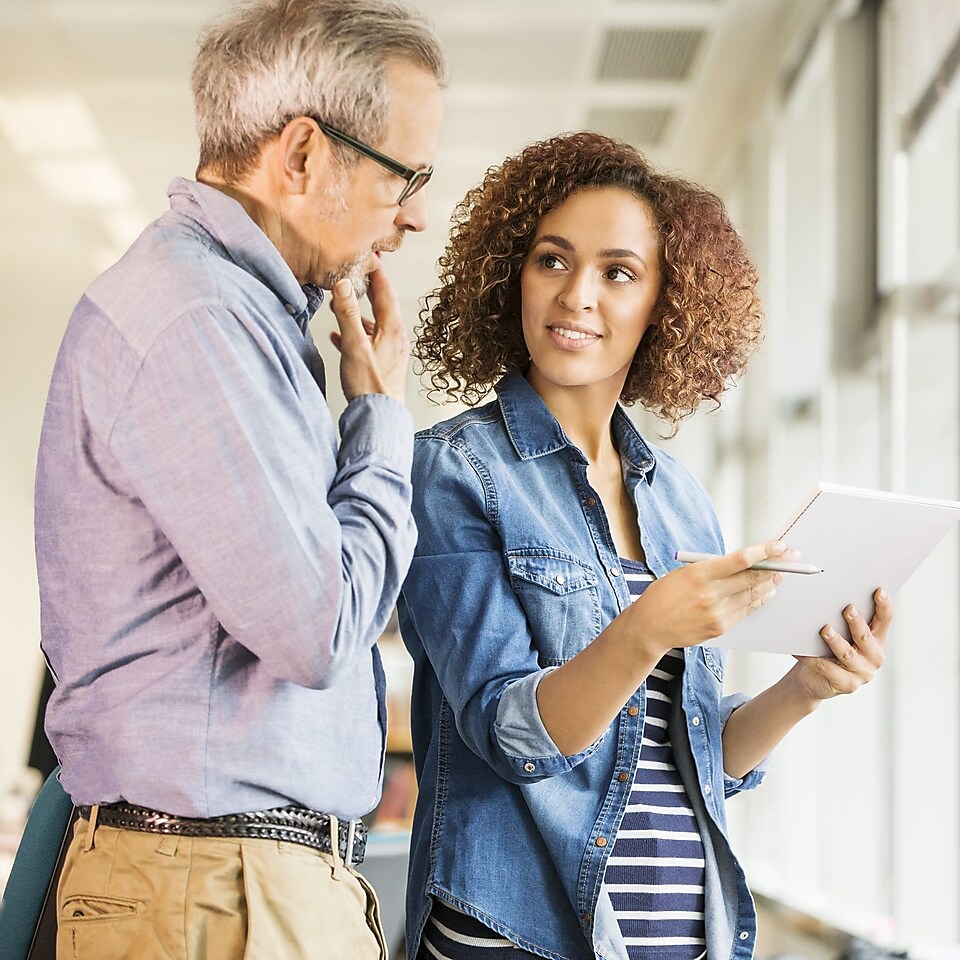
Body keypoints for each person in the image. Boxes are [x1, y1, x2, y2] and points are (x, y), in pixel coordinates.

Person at [397, 131, 891, 960]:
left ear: (664, 303)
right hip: (521, 936)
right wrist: (646, 628)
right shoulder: (452, 473)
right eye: (552, 260)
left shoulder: (681, 501)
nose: (575, 295)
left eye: (617, 272)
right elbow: (513, 738)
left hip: (679, 934)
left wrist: (804, 690)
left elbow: (694, 758)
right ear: (510, 275)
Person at [33, 1, 445, 957]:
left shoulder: (243, 322)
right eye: (406, 175)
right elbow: (316, 630)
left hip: (229, 884)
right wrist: (379, 417)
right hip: (213, 891)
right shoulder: (197, 320)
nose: (417, 213)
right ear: (301, 155)